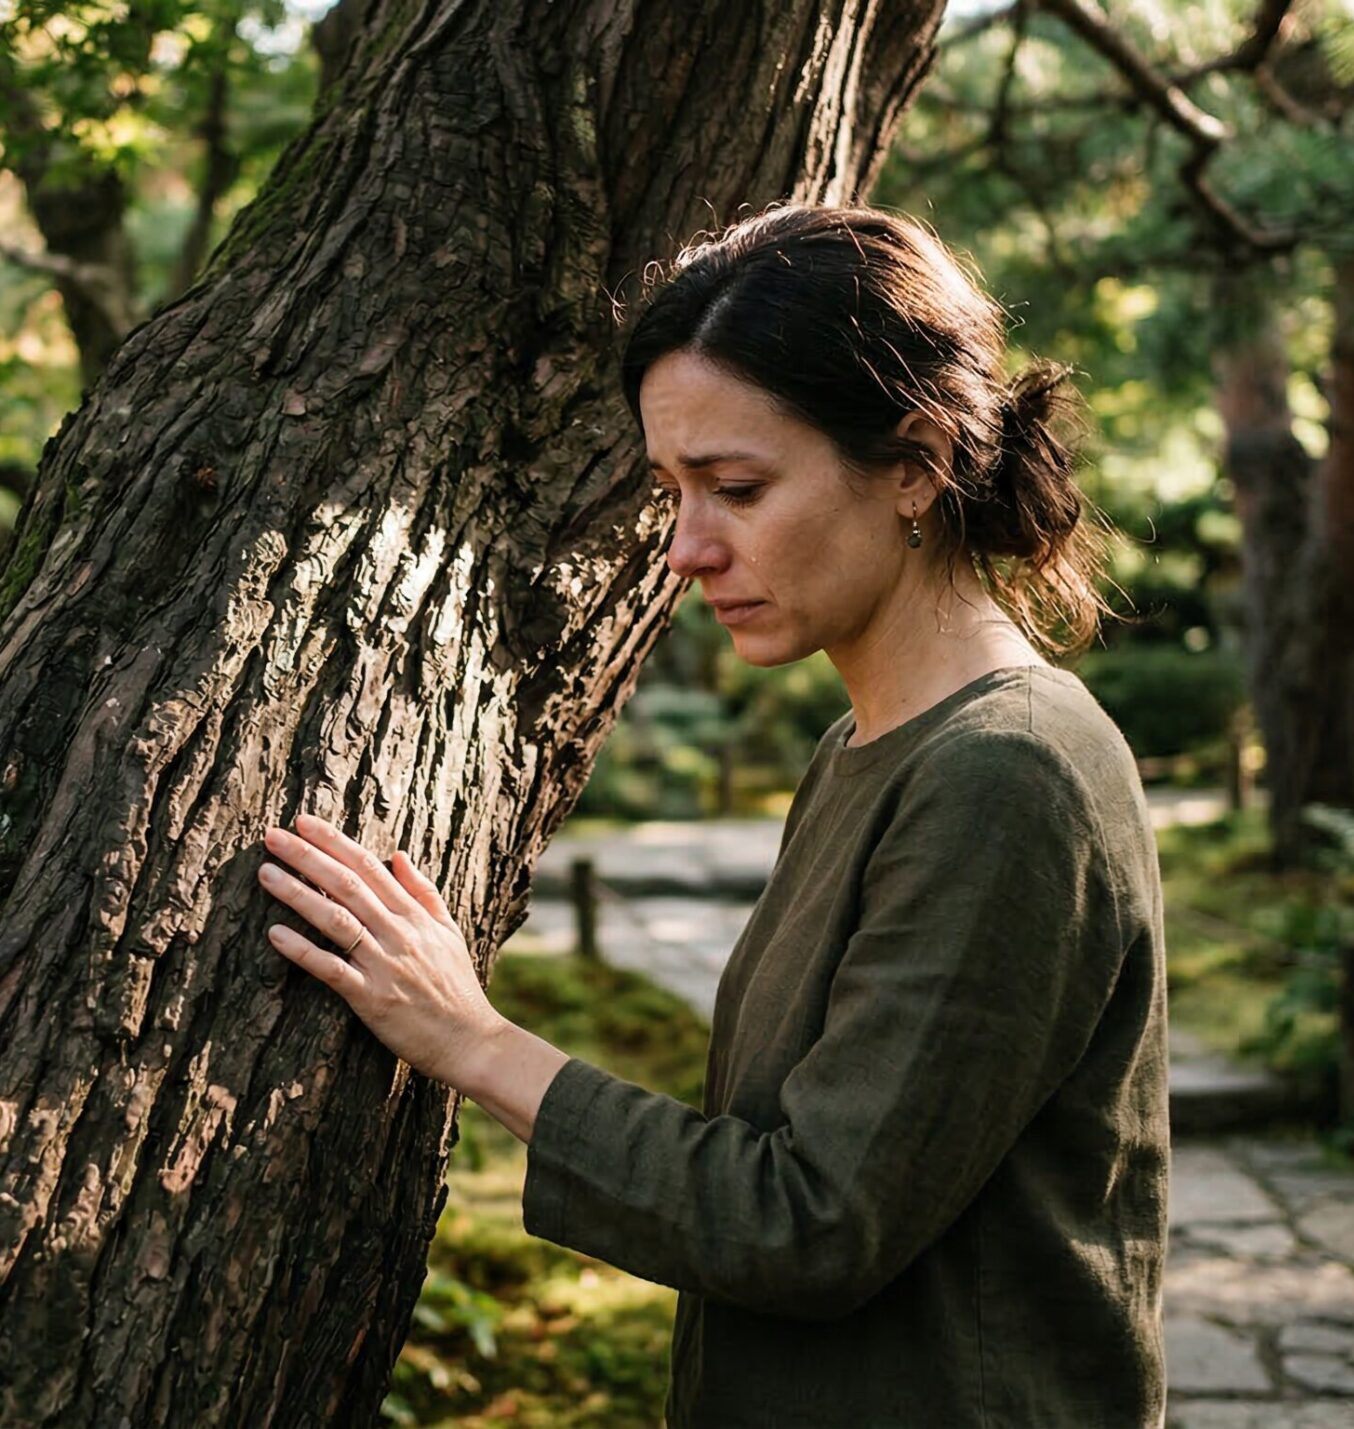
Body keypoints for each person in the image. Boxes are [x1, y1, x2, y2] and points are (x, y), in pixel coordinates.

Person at [256, 202, 1169, 1428]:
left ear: (914, 462)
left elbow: (809, 1220)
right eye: (673, 490)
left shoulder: (1008, 773)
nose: (685, 548)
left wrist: (472, 1040)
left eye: (736, 487)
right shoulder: (863, 747)